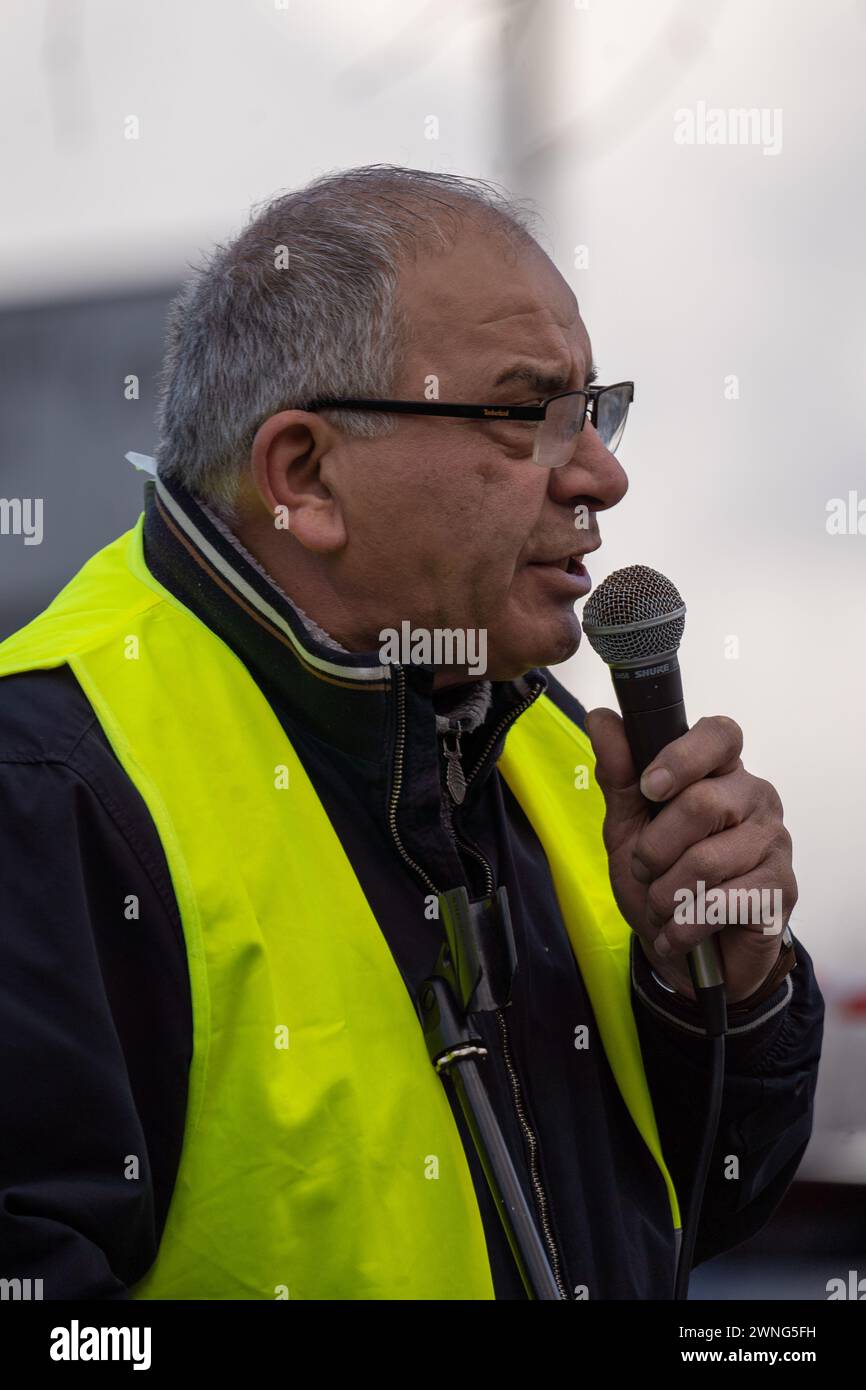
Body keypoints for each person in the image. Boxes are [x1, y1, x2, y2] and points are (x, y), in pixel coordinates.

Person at [0, 165, 823, 1300]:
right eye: (525, 414)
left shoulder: (548, 746)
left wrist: (723, 996)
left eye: (594, 410)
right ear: (305, 478)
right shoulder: (47, 784)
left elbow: (697, 1206)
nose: (599, 473)